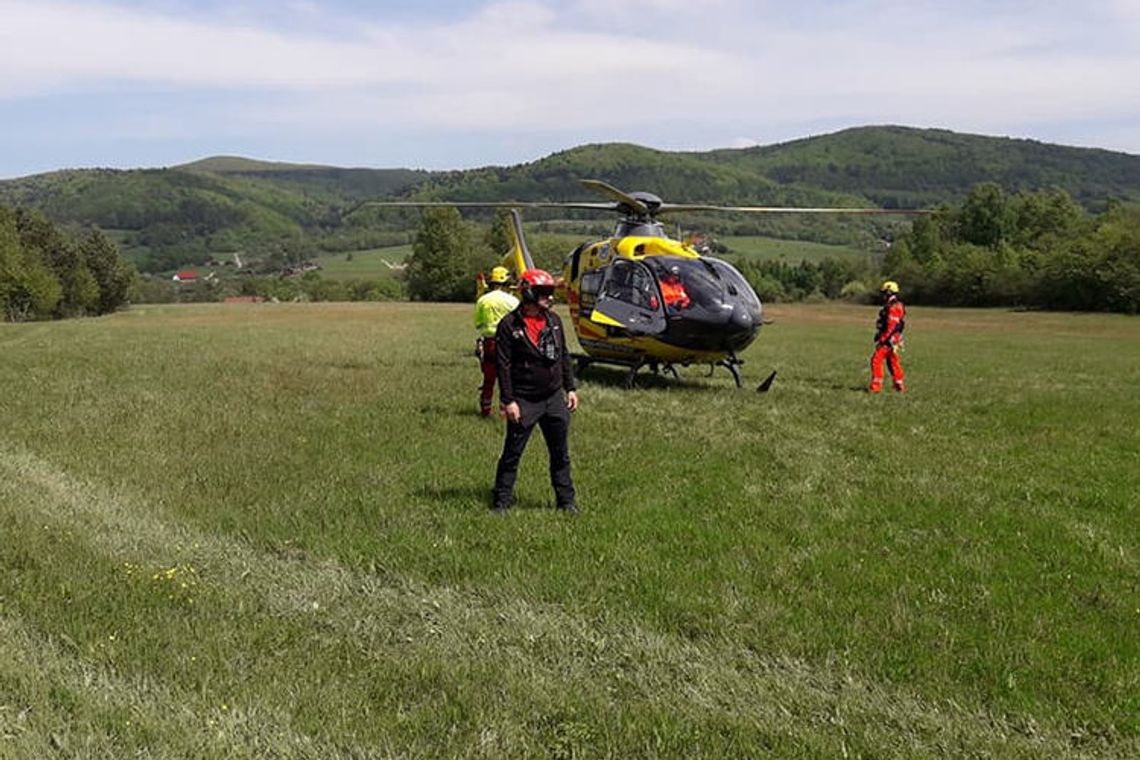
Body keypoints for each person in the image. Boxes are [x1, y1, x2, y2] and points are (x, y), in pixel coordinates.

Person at [491, 269, 580, 513]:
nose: (550, 298)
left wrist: (569, 388)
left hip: (553, 399)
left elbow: (563, 355)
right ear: (528, 293)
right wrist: (508, 401)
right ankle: (501, 501)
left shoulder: (554, 321)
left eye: (551, 293)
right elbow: (503, 365)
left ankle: (566, 501)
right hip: (524, 400)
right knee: (512, 453)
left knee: (560, 453)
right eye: (544, 293)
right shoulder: (509, 325)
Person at [473, 266, 519, 417]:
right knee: (507, 379)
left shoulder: (482, 301)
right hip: (509, 344)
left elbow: (478, 324)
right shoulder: (513, 301)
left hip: (489, 343)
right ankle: (504, 412)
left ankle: (485, 411)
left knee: (488, 379)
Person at [869, 280, 906, 393]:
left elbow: (892, 326)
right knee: (892, 361)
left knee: (876, 360)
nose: (883, 296)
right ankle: (899, 384)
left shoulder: (894, 307)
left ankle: (876, 386)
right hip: (893, 339)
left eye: (885, 293)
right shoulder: (894, 305)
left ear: (889, 293)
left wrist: (883, 339)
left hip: (889, 339)